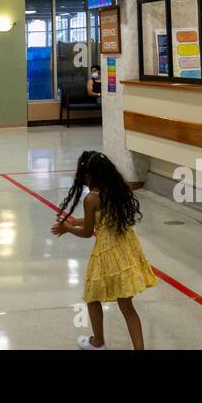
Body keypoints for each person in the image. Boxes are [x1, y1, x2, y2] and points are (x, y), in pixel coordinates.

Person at [51, 150, 156, 350]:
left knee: (92, 296)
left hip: (107, 251)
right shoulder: (118, 189)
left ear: (91, 176)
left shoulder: (91, 198)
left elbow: (88, 232)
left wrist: (68, 229)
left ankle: (98, 342)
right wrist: (76, 221)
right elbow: (104, 218)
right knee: (127, 306)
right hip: (126, 247)